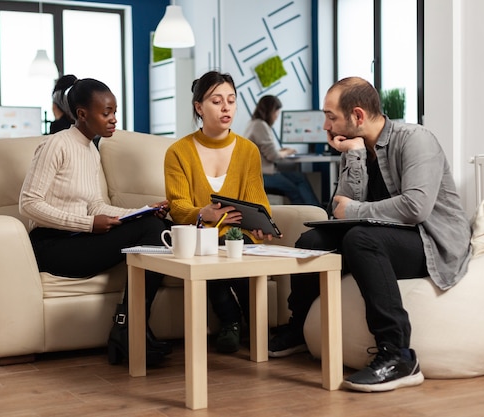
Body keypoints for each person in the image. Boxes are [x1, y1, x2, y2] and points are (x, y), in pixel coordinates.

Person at [268, 77, 472, 392]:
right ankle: (298, 329)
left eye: (331, 116)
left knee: (359, 239)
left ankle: (399, 354)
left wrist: (352, 212)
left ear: (358, 116)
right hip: (382, 236)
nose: (325, 125)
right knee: (311, 242)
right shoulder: (357, 147)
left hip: (431, 240)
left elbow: (415, 208)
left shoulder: (415, 139)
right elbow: (339, 208)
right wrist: (354, 155)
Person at [19, 78, 173, 367]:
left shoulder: (91, 150)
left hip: (79, 239)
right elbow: (28, 204)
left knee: (158, 226)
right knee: (153, 231)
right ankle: (129, 328)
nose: (114, 119)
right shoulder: (55, 145)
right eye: (106, 113)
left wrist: (139, 211)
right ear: (81, 114)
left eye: (115, 111)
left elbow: (95, 206)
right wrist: (89, 224)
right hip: (51, 245)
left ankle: (130, 327)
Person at [164, 71, 275, 354]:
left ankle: (253, 323)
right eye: (217, 101)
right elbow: (178, 208)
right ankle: (231, 321)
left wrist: (263, 223)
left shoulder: (248, 150)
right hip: (201, 237)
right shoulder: (178, 152)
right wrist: (203, 214)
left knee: (236, 245)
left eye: (231, 101)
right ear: (199, 107)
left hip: (239, 234)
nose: (226, 108)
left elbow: (256, 199)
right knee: (210, 248)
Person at [244, 95, 321, 206]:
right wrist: (287, 152)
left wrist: (281, 150)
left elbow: (264, 150)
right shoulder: (260, 125)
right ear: (271, 111)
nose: (276, 117)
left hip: (260, 172)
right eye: (277, 113)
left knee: (299, 178)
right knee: (294, 190)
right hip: (262, 175)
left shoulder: (253, 124)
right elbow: (273, 156)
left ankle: (316, 210)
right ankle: (305, 217)